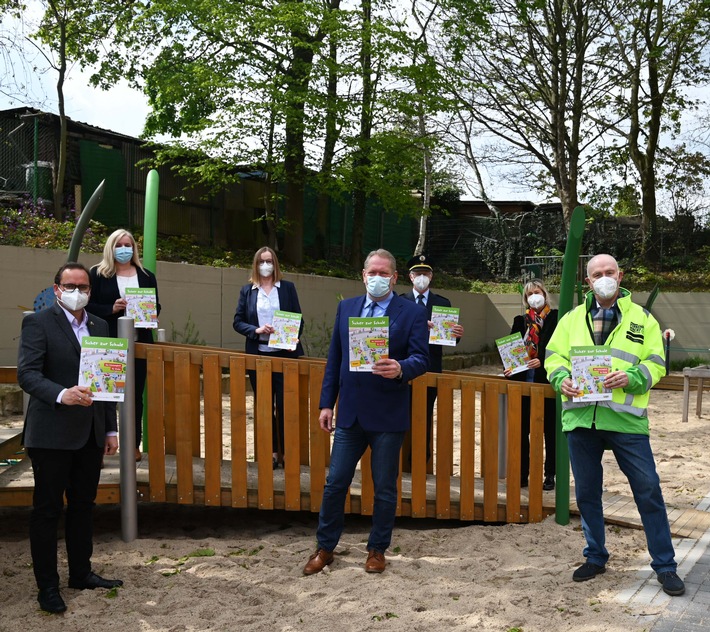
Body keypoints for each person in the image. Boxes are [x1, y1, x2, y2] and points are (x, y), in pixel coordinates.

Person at [545, 254, 685, 596]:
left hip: (626, 422)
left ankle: (665, 566)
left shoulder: (643, 319)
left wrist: (633, 377)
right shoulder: (572, 319)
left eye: (609, 272)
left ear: (619, 276)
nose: (604, 278)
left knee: (648, 490)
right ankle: (595, 556)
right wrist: (560, 377)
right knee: (589, 493)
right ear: (588, 282)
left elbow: (657, 363)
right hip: (580, 418)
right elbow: (553, 357)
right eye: (597, 274)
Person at [303, 249, 429, 575]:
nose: (377, 277)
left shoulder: (411, 313)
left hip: (388, 413)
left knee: (384, 487)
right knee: (335, 483)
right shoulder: (346, 308)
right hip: (351, 413)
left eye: (384, 273)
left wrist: (401, 367)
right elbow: (335, 360)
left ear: (395, 277)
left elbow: (421, 358)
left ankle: (376, 550)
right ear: (363, 275)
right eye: (372, 272)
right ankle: (325, 547)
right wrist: (326, 403)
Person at [17, 262, 123, 614]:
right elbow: (28, 375)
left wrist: (110, 429)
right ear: (57, 288)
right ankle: (47, 586)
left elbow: (107, 382)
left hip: (91, 434)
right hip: (51, 434)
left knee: (83, 506)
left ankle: (81, 573)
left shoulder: (100, 324)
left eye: (84, 286)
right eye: (70, 285)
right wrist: (63, 394)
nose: (78, 291)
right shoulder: (37, 322)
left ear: (91, 290)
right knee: (47, 510)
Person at [88, 229, 160, 462]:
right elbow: (88, 306)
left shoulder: (146, 275)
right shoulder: (98, 274)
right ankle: (100, 444)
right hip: (108, 343)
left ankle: (132, 444)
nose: (124, 249)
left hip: (139, 344)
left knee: (135, 396)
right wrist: (112, 308)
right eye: (119, 245)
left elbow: (156, 305)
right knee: (104, 395)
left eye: (128, 244)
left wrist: (149, 313)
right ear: (111, 247)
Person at [233, 247, 304, 469]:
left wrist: (291, 338)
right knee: (265, 405)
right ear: (256, 264)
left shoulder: (287, 288)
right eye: (262, 261)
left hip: (284, 356)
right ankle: (272, 452)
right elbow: (238, 321)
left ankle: (287, 453)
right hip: (258, 356)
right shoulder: (248, 291)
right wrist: (257, 329)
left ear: (275, 264)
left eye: (270, 261)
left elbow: (298, 319)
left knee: (284, 406)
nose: (266, 265)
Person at [400, 254, 464, 464]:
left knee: (424, 415)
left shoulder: (442, 303)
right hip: (404, 367)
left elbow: (449, 340)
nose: (421, 277)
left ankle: (420, 459)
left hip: (431, 367)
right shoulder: (401, 302)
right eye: (418, 273)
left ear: (431, 276)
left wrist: (456, 335)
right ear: (410, 276)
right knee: (401, 412)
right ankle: (399, 458)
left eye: (425, 273)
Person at [504, 279, 557, 490]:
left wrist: (542, 360)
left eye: (538, 292)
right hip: (523, 382)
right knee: (522, 430)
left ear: (545, 294)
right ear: (525, 299)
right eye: (530, 294)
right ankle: (522, 474)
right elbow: (510, 348)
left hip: (546, 382)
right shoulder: (520, 320)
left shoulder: (556, 318)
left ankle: (550, 474)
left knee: (550, 432)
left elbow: (559, 347)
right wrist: (509, 366)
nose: (534, 296)